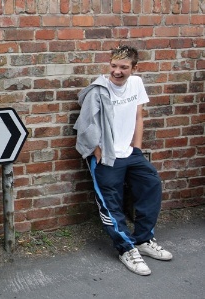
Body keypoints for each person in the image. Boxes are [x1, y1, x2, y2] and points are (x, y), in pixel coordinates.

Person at [74, 45, 173, 276]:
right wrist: (97, 151)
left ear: (134, 68)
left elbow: (138, 116)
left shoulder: (136, 83)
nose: (117, 71)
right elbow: (86, 125)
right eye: (114, 66)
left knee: (151, 185)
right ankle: (126, 248)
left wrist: (137, 149)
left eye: (123, 67)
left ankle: (143, 240)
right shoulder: (98, 90)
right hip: (106, 155)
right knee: (111, 204)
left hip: (130, 154)